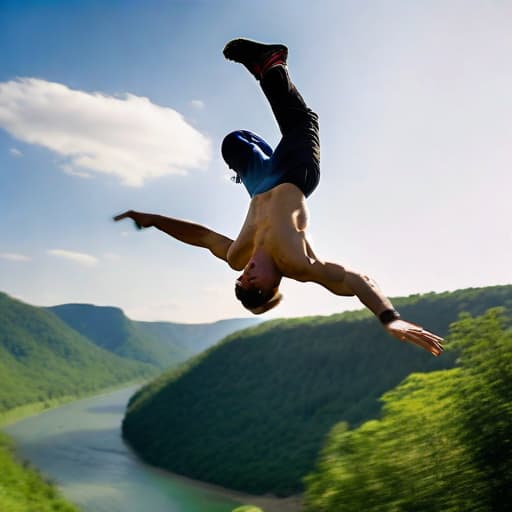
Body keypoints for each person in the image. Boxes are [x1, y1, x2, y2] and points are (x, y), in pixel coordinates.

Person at [114, 38, 444, 357]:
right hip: (294, 176)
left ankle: (264, 93)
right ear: (273, 285)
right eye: (255, 287)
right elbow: (355, 280)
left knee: (232, 143)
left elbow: (201, 237)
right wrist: (390, 318)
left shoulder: (237, 255)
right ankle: (272, 64)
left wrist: (154, 220)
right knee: (301, 123)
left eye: (242, 283)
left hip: (259, 184)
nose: (247, 278)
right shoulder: (298, 263)